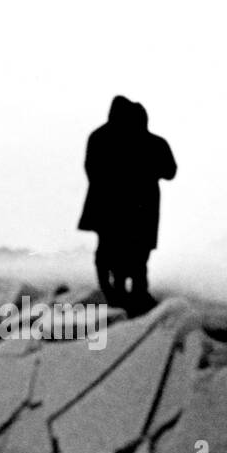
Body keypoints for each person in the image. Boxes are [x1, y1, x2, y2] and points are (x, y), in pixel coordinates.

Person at [77, 96, 177, 315]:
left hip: (111, 205)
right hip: (136, 206)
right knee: (134, 250)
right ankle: (131, 292)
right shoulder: (151, 142)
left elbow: (91, 168)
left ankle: (120, 292)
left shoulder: (100, 136)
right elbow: (170, 171)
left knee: (115, 250)